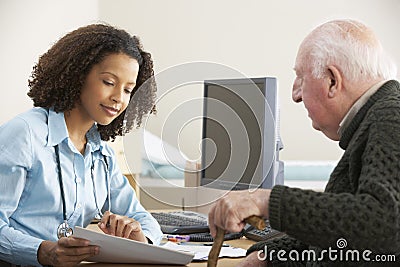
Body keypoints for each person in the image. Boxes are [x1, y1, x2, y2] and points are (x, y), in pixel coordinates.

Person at [208, 19, 400, 266]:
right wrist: (269, 257)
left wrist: (264, 201)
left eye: (301, 77)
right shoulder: (376, 119)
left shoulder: (391, 117)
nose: (295, 94)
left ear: (332, 80)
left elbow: (385, 225)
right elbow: (344, 241)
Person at [0, 23, 163, 266]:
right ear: (78, 75)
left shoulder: (101, 152)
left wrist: (140, 237)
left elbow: (144, 219)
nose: (119, 98)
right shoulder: (24, 134)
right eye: (109, 82)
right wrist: (42, 252)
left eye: (128, 90)